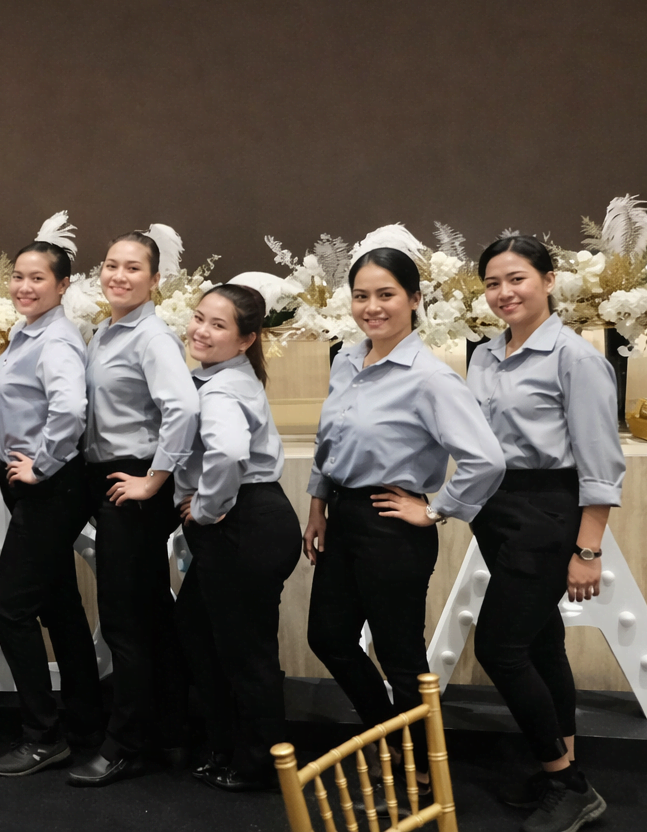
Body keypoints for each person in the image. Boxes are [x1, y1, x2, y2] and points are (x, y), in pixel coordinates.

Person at [304, 247, 504, 779]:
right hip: (342, 515)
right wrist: (318, 505)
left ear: (414, 299)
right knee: (328, 637)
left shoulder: (429, 377)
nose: (372, 307)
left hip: (391, 526)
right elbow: (329, 441)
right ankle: (391, 736)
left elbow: (486, 459)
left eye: (386, 294)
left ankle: (422, 766)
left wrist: (437, 510)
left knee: (400, 655)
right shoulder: (346, 361)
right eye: (361, 295)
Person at [468, 236, 617, 832]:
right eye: (492, 283)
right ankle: (563, 768)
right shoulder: (484, 355)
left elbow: (601, 464)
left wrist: (588, 550)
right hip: (497, 509)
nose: (504, 293)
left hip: (548, 510)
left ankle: (569, 785)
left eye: (517, 279)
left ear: (549, 280)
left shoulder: (575, 358)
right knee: (539, 643)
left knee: (499, 647)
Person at [66, 232, 199, 788]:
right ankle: (173, 731)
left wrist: (155, 480)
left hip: (134, 484)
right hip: (109, 480)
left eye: (133, 268)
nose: (119, 276)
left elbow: (184, 407)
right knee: (151, 613)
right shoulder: (106, 331)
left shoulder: (152, 336)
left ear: (155, 279)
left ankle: (124, 743)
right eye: (111, 265)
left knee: (125, 621)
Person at [0, 236, 102, 777]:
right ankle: (85, 723)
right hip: (30, 481)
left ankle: (42, 734)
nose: (24, 287)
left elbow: (69, 409)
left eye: (38, 278)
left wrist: (41, 465)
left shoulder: (56, 340)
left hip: (52, 488)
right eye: (18, 276)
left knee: (10, 608)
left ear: (63, 285)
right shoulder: (25, 333)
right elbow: (19, 402)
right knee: (60, 606)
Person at [172, 285, 300, 792]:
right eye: (199, 317)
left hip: (246, 524)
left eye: (218, 325)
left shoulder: (223, 388)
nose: (201, 330)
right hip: (251, 520)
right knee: (200, 633)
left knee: (247, 654)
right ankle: (228, 745)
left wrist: (205, 508)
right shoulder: (223, 377)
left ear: (247, 339)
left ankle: (259, 765)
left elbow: (226, 454)